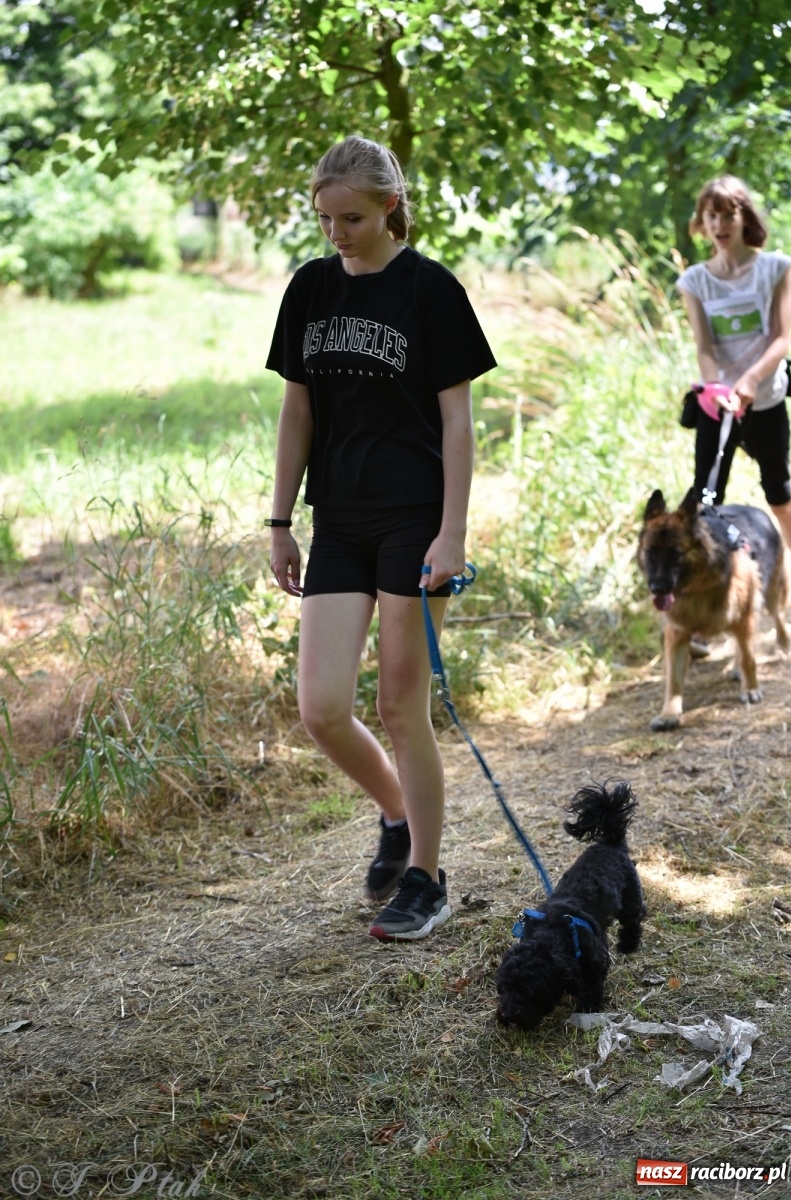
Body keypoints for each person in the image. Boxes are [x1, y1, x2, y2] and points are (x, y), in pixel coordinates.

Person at [265, 135, 496, 941]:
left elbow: (457, 420)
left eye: (352, 218)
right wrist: (279, 521)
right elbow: (297, 411)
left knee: (401, 706)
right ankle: (396, 814)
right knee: (321, 709)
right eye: (324, 219)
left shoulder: (430, 290)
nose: (336, 233)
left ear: (390, 206)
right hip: (338, 519)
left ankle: (426, 879)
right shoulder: (309, 288)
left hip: (414, 521)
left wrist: (452, 533)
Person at [677, 175, 791, 620]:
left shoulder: (775, 269)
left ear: (743, 217)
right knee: (705, 502)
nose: (720, 225)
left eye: (727, 214)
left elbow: (781, 338)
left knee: (780, 497)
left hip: (764, 400)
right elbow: (704, 347)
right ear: (702, 222)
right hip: (718, 407)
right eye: (711, 216)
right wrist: (716, 390)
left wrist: (749, 380)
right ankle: (699, 599)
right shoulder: (695, 281)